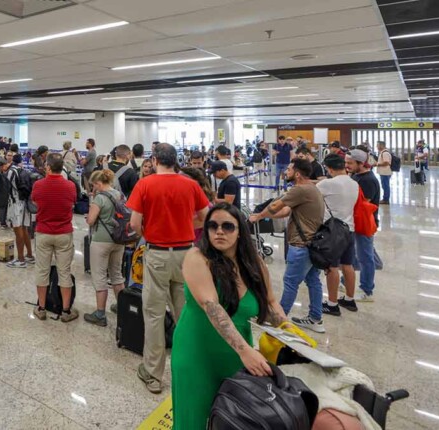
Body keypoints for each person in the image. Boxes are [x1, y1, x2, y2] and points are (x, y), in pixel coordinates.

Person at [173, 203, 289, 428]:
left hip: (235, 353)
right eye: (213, 226)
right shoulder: (197, 257)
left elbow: (271, 303)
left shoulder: (253, 263)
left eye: (228, 226)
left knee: (232, 418)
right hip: (197, 351)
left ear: (240, 231)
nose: (219, 231)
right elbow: (211, 306)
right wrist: (245, 351)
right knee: (194, 420)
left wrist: (290, 333)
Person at [127, 143, 210, 393]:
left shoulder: (145, 184)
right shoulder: (190, 185)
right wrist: (185, 223)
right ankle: (193, 368)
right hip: (186, 254)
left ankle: (153, 374)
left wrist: (151, 233)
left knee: (153, 314)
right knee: (186, 313)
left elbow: (135, 223)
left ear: (154, 160)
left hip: (158, 253)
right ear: (176, 160)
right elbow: (205, 215)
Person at [250, 158, 325, 333]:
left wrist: (258, 216)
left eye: (290, 169)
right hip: (312, 243)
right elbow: (285, 210)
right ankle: (315, 318)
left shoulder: (300, 189)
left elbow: (276, 205)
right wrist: (267, 216)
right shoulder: (311, 188)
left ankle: (279, 319)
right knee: (313, 280)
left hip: (301, 244)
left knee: (290, 282)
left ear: (297, 174)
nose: (286, 172)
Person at [31, 152, 78, 322]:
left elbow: (36, 203)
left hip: (44, 232)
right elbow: (72, 203)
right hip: (64, 233)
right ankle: (66, 311)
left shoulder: (38, 185)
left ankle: (41, 308)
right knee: (64, 272)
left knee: (42, 271)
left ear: (48, 167)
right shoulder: (70, 186)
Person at [317, 155, 359, 316]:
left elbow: (310, 192)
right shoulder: (354, 183)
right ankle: (349, 299)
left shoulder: (327, 183)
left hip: (332, 231)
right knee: (348, 265)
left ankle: (332, 303)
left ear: (329, 168)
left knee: (331, 267)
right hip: (349, 228)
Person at [83, 169, 126, 327]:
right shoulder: (119, 195)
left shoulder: (99, 198)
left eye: (94, 185)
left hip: (101, 240)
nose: (94, 188)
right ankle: (122, 306)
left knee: (100, 276)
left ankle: (100, 313)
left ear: (99, 183)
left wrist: (89, 217)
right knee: (116, 274)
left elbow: (91, 220)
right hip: (119, 239)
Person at [346, 149, 379, 302]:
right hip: (354, 222)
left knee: (366, 257)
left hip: (365, 223)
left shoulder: (368, 180)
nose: (347, 166)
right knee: (354, 253)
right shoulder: (356, 176)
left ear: (361, 163)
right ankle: (345, 280)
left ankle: (367, 290)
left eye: (350, 163)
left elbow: (364, 204)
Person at [5, 154, 35, 268]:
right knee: (25, 229)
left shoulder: (11, 172)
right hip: (25, 203)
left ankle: (21, 259)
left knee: (18, 231)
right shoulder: (23, 170)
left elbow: (7, 188)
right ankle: (30, 256)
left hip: (15, 204)